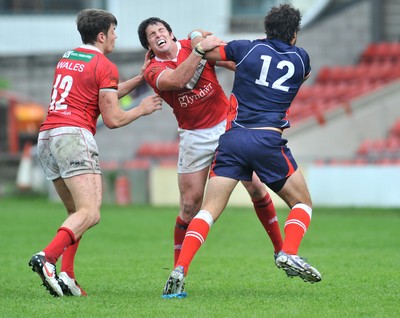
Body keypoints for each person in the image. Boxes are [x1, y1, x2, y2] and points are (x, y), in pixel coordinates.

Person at [162, 4, 322, 298]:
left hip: (233, 140)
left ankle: (180, 268)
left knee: (209, 211)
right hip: (267, 140)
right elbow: (301, 75)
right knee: (302, 203)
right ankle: (289, 251)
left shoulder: (245, 49)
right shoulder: (301, 59)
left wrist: (196, 35)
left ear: (266, 29)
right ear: (294, 34)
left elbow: (205, 51)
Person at [137, 17, 285, 294]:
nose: (158, 35)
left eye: (161, 30)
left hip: (227, 126)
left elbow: (215, 44)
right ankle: (177, 273)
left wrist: (197, 38)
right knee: (190, 207)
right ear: (148, 46)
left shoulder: (189, 44)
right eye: (151, 34)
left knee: (255, 186)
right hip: (193, 137)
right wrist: (199, 49)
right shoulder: (154, 70)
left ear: (171, 33)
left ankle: (280, 251)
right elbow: (177, 79)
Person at [28, 8, 163, 297]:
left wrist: (140, 79)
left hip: (47, 136)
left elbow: (104, 92)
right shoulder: (105, 65)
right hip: (73, 137)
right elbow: (112, 118)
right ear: (102, 35)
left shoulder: (69, 57)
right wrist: (142, 108)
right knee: (91, 213)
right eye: (114, 32)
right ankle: (48, 259)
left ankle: (68, 275)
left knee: (76, 213)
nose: (116, 37)